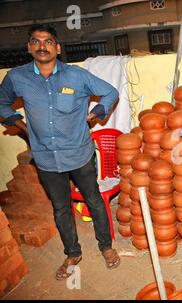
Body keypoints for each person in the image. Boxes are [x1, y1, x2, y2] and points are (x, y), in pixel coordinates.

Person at [0, 24, 121, 280]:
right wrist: (20, 126)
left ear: (57, 47)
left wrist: (96, 115)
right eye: (36, 41)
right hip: (45, 157)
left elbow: (110, 93)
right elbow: (2, 101)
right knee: (61, 207)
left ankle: (106, 246)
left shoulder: (76, 76)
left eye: (48, 41)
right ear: (29, 47)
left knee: (94, 200)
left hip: (79, 152)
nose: (42, 46)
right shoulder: (17, 77)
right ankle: (73, 252)